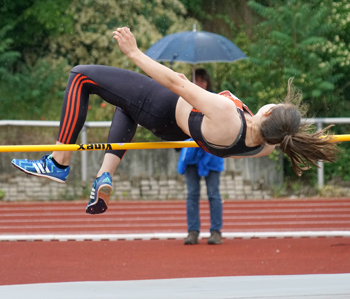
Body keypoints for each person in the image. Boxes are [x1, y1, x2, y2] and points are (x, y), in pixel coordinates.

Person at [11, 27, 339, 215]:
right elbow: (268, 134)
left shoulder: (229, 117)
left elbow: (179, 85)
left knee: (80, 76)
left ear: (268, 113)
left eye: (275, 104)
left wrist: (135, 54)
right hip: (171, 123)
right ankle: (103, 177)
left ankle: (58, 161)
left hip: (162, 103)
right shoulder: (263, 145)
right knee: (123, 106)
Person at [177, 68, 224, 245]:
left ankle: (216, 231)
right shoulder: (185, 99)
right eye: (197, 80)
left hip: (212, 153)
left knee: (214, 194)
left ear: (207, 82)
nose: (200, 84)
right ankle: (193, 231)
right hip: (191, 154)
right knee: (192, 194)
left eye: (203, 80)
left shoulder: (216, 100)